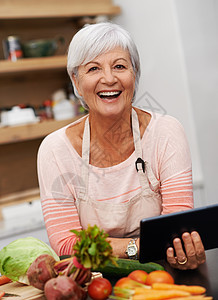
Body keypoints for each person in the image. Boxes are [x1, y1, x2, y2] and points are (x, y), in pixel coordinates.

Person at [37, 22, 206, 270]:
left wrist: (179, 248)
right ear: (76, 79)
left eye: (119, 66)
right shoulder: (54, 150)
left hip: (162, 275)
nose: (109, 78)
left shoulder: (166, 132)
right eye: (93, 68)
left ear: (134, 73)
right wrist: (138, 247)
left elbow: (174, 233)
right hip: (92, 281)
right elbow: (65, 244)